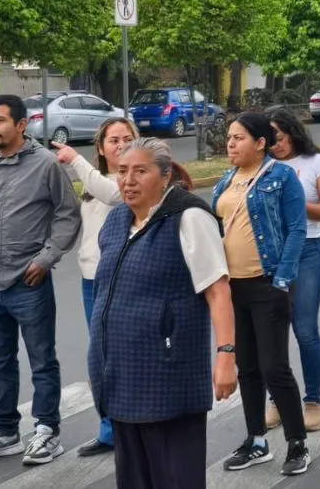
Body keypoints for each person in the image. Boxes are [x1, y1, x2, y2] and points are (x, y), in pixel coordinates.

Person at [88, 138, 237, 489]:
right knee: (134, 480)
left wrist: (226, 355)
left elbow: (218, 291)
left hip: (168, 377)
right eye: (122, 171)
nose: (128, 180)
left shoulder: (189, 217)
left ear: (165, 175)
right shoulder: (115, 222)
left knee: (175, 479)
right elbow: (106, 297)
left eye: (140, 171)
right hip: (121, 376)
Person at [0, 94, 81, 466]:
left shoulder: (45, 165)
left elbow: (67, 215)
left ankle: (46, 431)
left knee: (42, 360)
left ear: (21, 124)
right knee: (0, 362)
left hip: (29, 283)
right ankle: (6, 431)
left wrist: (46, 258)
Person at [211, 112, 311, 476]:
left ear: (260, 143)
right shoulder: (225, 181)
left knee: (274, 368)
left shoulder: (281, 176)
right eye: (229, 138)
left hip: (267, 284)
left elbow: (297, 229)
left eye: (238, 138)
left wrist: (282, 279)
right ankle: (256, 440)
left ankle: (297, 443)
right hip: (232, 288)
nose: (230, 144)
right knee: (248, 368)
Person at [52, 117, 138, 456]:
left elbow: (113, 194)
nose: (121, 145)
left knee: (123, 356)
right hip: (91, 281)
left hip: (120, 280)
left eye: (127, 138)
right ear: (101, 148)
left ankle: (132, 428)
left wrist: (74, 158)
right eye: (113, 140)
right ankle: (109, 430)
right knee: (100, 358)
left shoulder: (130, 183)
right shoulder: (93, 183)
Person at [265, 109, 320, 432]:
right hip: (270, 253)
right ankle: (277, 399)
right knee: (271, 332)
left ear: (293, 133)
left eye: (280, 139)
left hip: (307, 251)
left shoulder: (317, 164)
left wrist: (294, 202)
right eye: (269, 142)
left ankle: (312, 400)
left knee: (305, 330)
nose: (275, 147)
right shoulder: (263, 165)